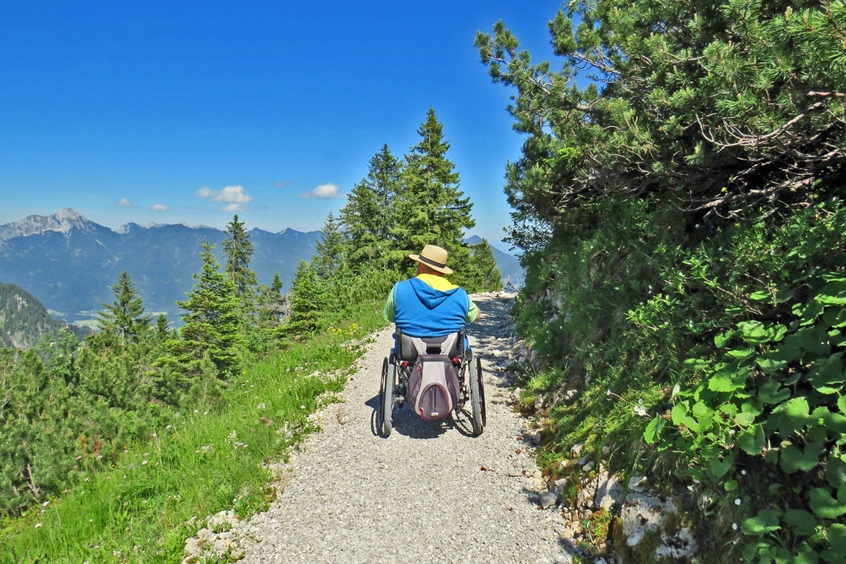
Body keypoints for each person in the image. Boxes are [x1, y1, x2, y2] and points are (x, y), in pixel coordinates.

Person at [383, 244, 479, 339]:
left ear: (421, 266)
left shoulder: (399, 289)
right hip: (450, 352)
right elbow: (476, 316)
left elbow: (390, 317)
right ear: (442, 271)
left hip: (408, 352)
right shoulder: (459, 294)